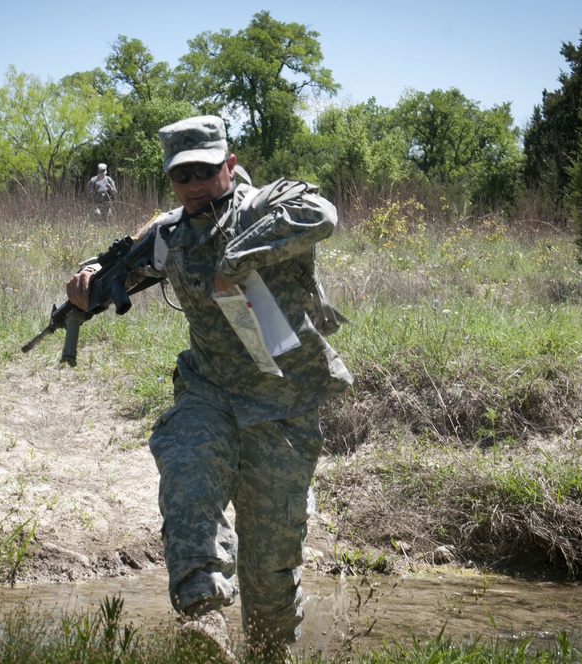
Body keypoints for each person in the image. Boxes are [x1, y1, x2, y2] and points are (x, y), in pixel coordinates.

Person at [66, 115, 352, 658]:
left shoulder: (269, 203)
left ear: (230, 163)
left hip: (282, 405)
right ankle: (202, 615)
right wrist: (86, 282)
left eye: (205, 170)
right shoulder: (170, 233)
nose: (195, 185)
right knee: (188, 468)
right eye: (183, 176)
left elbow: (322, 214)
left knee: (271, 563)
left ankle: (268, 649)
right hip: (209, 392)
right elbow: (116, 272)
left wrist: (239, 257)